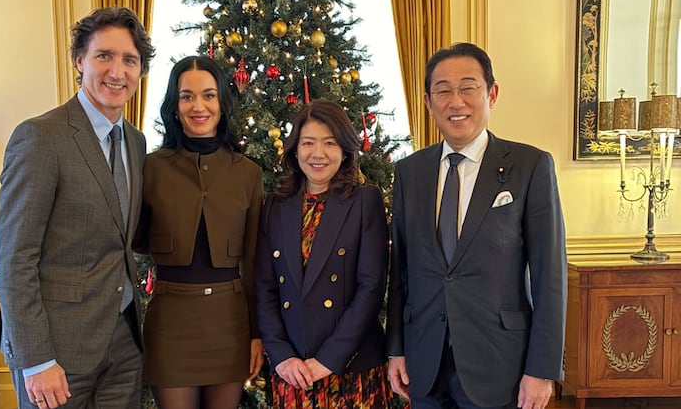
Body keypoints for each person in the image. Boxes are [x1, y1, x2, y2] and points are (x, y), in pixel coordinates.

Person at [386, 42, 567, 409]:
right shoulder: (410, 172)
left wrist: (542, 370)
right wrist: (396, 350)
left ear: (491, 94)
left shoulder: (530, 166)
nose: (456, 102)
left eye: (468, 87)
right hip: (425, 362)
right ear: (427, 101)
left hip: (500, 365)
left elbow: (550, 276)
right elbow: (400, 271)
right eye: (443, 91)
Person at [0, 6, 154, 409]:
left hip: (123, 344)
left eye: (129, 60)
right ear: (80, 60)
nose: (117, 71)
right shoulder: (40, 137)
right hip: (56, 352)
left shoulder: (136, 143)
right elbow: (14, 257)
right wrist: (36, 360)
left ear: (140, 71)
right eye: (105, 56)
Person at [133, 55, 264, 409]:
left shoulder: (248, 173)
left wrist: (255, 333)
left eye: (208, 95)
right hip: (171, 322)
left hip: (230, 322)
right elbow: (133, 239)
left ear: (222, 102)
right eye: (187, 96)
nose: (198, 106)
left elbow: (253, 262)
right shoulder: (151, 168)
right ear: (175, 106)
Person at [255, 99, 393, 408]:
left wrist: (328, 360)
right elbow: (265, 289)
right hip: (294, 373)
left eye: (329, 143)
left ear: (344, 149)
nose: (318, 154)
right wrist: (282, 356)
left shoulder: (364, 201)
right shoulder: (276, 206)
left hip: (351, 368)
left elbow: (371, 288)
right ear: (294, 150)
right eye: (308, 143)